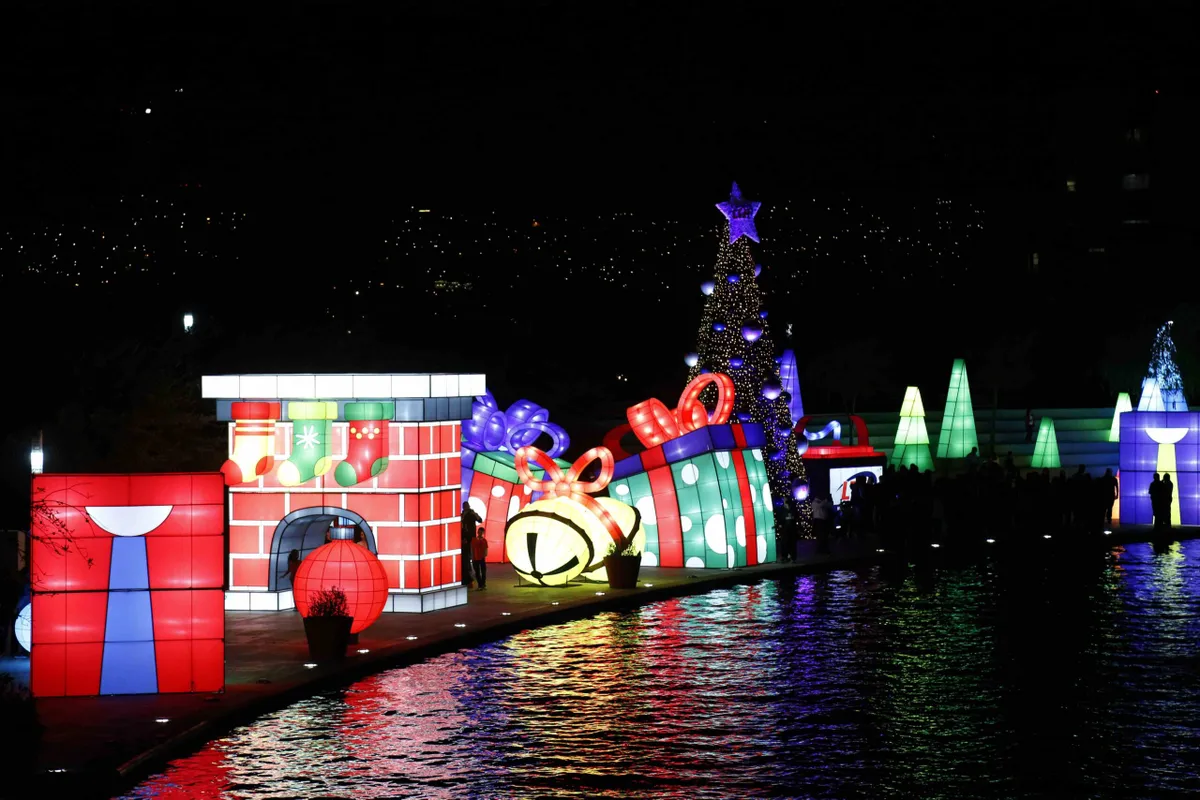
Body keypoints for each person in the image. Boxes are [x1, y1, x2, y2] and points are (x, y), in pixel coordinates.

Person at [460, 502, 482, 587]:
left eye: (466, 507)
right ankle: (468, 578)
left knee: (469, 557)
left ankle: (471, 578)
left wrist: (474, 514)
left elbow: (480, 519)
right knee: (466, 558)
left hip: (470, 538)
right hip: (464, 539)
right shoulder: (462, 515)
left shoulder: (471, 514)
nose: (465, 508)